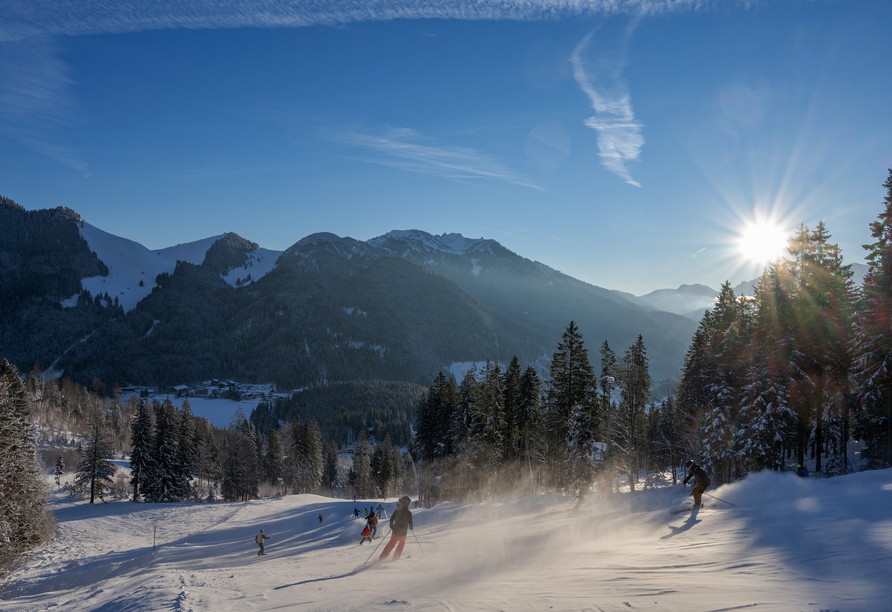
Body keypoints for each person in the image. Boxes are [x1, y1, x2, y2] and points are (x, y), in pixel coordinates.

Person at [379, 496, 414, 562]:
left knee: (391, 543)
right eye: (409, 503)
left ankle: (382, 557)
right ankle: (395, 558)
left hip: (395, 531)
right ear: (407, 504)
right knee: (401, 543)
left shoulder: (397, 510)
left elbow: (391, 519)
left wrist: (392, 526)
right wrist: (411, 527)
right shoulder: (409, 513)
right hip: (403, 533)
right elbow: (410, 522)